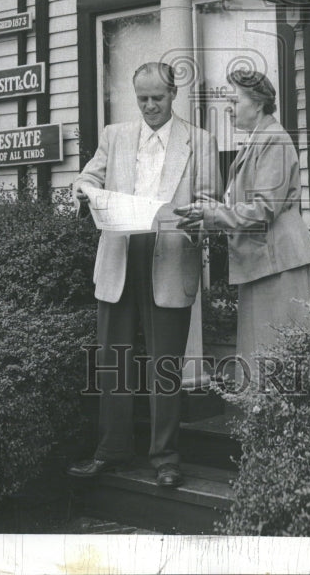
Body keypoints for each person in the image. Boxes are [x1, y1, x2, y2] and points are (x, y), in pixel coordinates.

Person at [67, 61, 221, 488]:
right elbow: (88, 176)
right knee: (112, 360)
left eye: (157, 97)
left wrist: (198, 218)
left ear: (174, 95)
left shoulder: (201, 141)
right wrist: (82, 189)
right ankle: (111, 451)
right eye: (142, 99)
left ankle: (166, 459)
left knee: (165, 365)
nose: (150, 106)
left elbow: (211, 202)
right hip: (120, 253)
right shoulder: (114, 136)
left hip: (170, 254)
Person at [176, 68, 310, 385]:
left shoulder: (274, 141)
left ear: (257, 103)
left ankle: (277, 431)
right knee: (262, 361)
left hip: (276, 266)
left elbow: (262, 208)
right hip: (262, 263)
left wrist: (211, 213)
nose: (229, 107)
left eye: (234, 99)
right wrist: (205, 216)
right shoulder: (257, 141)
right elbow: (240, 208)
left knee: (276, 362)